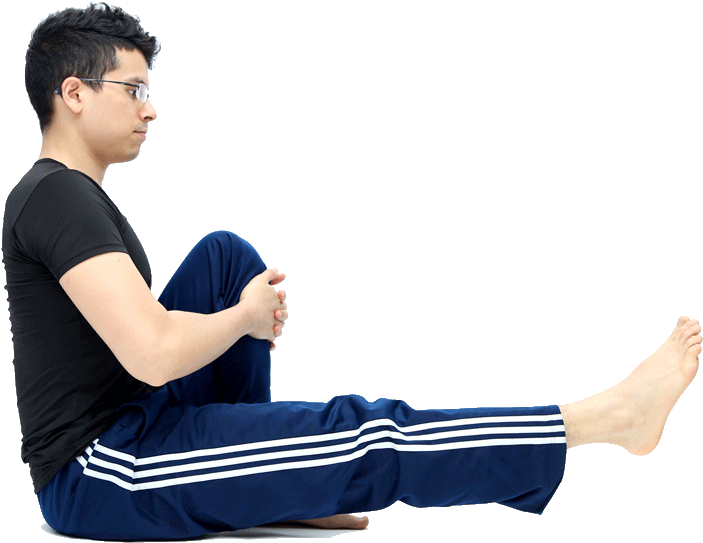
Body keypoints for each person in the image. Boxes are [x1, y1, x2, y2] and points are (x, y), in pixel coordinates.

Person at [4, 4, 700, 540]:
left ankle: (269, 483)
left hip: (131, 425)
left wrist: (237, 307)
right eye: (133, 89)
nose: (149, 108)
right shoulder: (57, 195)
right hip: (105, 471)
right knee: (367, 436)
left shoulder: (70, 195)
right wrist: (244, 319)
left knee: (225, 259)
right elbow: (152, 355)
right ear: (74, 92)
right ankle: (602, 419)